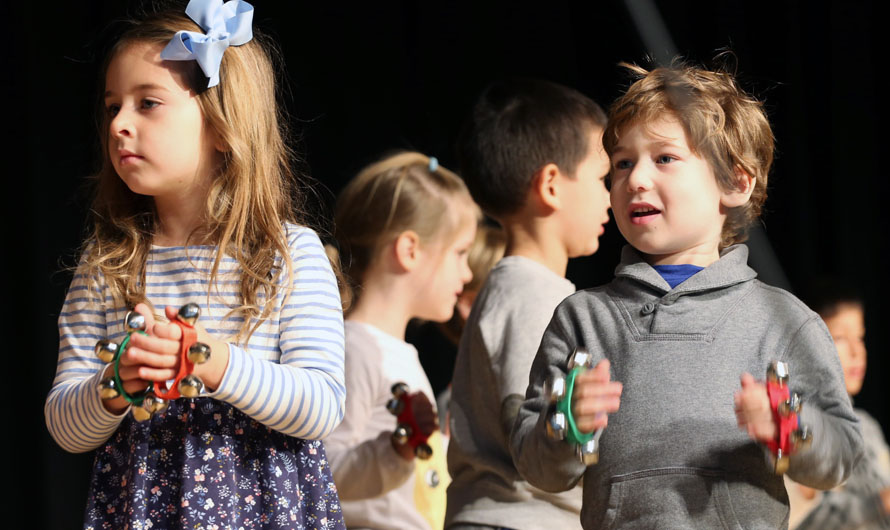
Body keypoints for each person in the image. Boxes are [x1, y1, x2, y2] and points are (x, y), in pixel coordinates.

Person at [510, 62, 863, 529]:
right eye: (621, 162)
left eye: (664, 158)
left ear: (735, 181)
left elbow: (843, 455)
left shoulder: (784, 320)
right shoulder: (582, 318)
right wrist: (567, 425)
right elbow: (536, 467)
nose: (635, 179)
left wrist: (793, 430)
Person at [43, 2, 347, 528]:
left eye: (148, 103)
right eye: (113, 106)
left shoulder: (289, 253)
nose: (119, 124)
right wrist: (116, 384)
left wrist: (211, 361)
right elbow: (65, 427)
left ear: (222, 125)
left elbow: (321, 405)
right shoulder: (107, 263)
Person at [446, 78, 612, 530]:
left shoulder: (519, 288)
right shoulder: (533, 294)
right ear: (552, 185)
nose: (611, 196)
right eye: (602, 179)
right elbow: (529, 427)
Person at [325, 152, 479, 530]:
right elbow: (325, 471)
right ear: (409, 250)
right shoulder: (356, 349)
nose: (468, 272)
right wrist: (399, 448)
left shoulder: (393, 352)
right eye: (460, 253)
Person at [786, 282, 890, 529]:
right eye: (841, 338)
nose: (857, 351)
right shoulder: (794, 423)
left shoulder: (867, 427)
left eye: (861, 337)